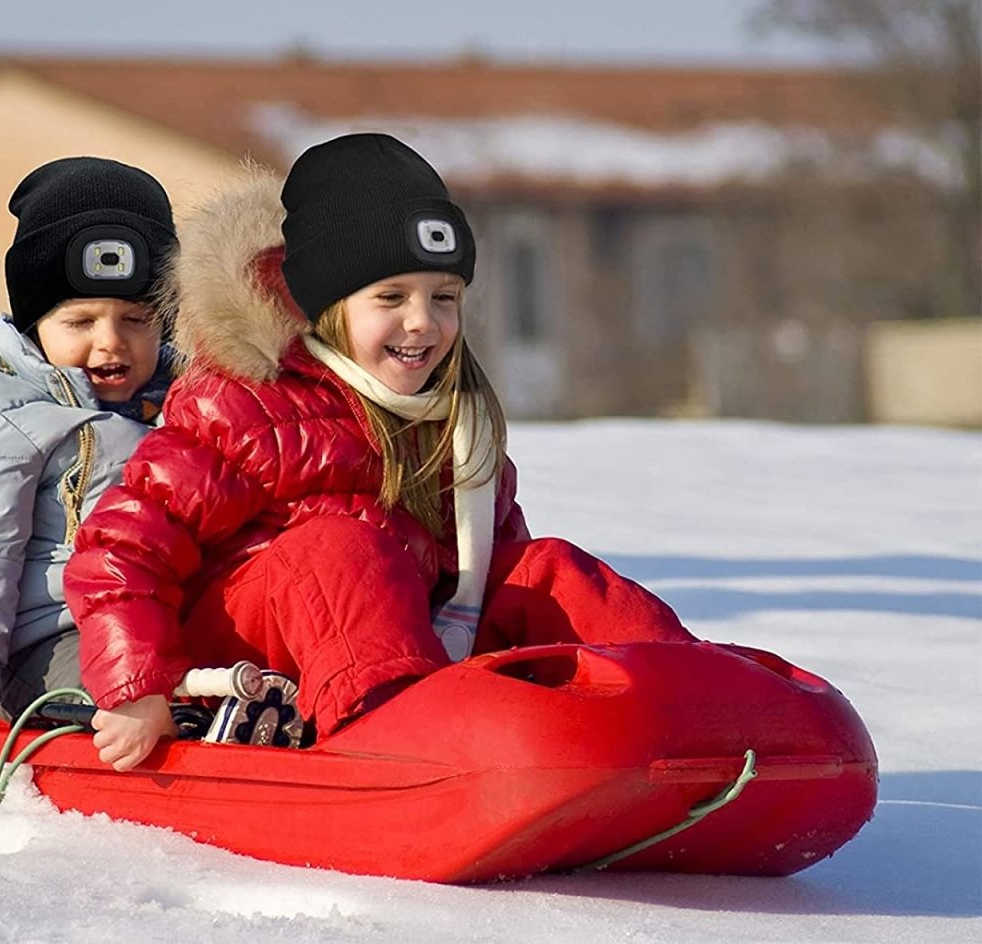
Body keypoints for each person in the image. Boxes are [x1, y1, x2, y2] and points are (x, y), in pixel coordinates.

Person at [64, 134, 694, 771]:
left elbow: (488, 578)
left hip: (408, 651)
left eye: (443, 298)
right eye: (391, 298)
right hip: (250, 657)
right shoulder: (247, 407)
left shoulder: (458, 425)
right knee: (340, 545)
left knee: (543, 570)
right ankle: (394, 741)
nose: (423, 321)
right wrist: (137, 688)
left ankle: (686, 704)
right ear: (326, 308)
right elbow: (120, 551)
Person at [0, 156, 180, 735]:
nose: (110, 342)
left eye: (137, 319)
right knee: (153, 698)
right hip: (50, 637)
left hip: (160, 617)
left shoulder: (186, 399)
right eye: (81, 321)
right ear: (33, 324)